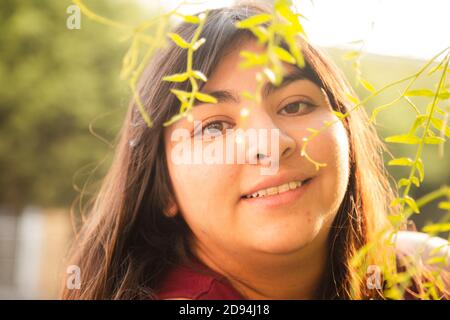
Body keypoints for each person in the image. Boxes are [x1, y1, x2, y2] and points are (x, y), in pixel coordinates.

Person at [61, 3, 449, 300]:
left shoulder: (413, 278)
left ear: (346, 132)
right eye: (214, 126)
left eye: (295, 105)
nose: (270, 143)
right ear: (163, 189)